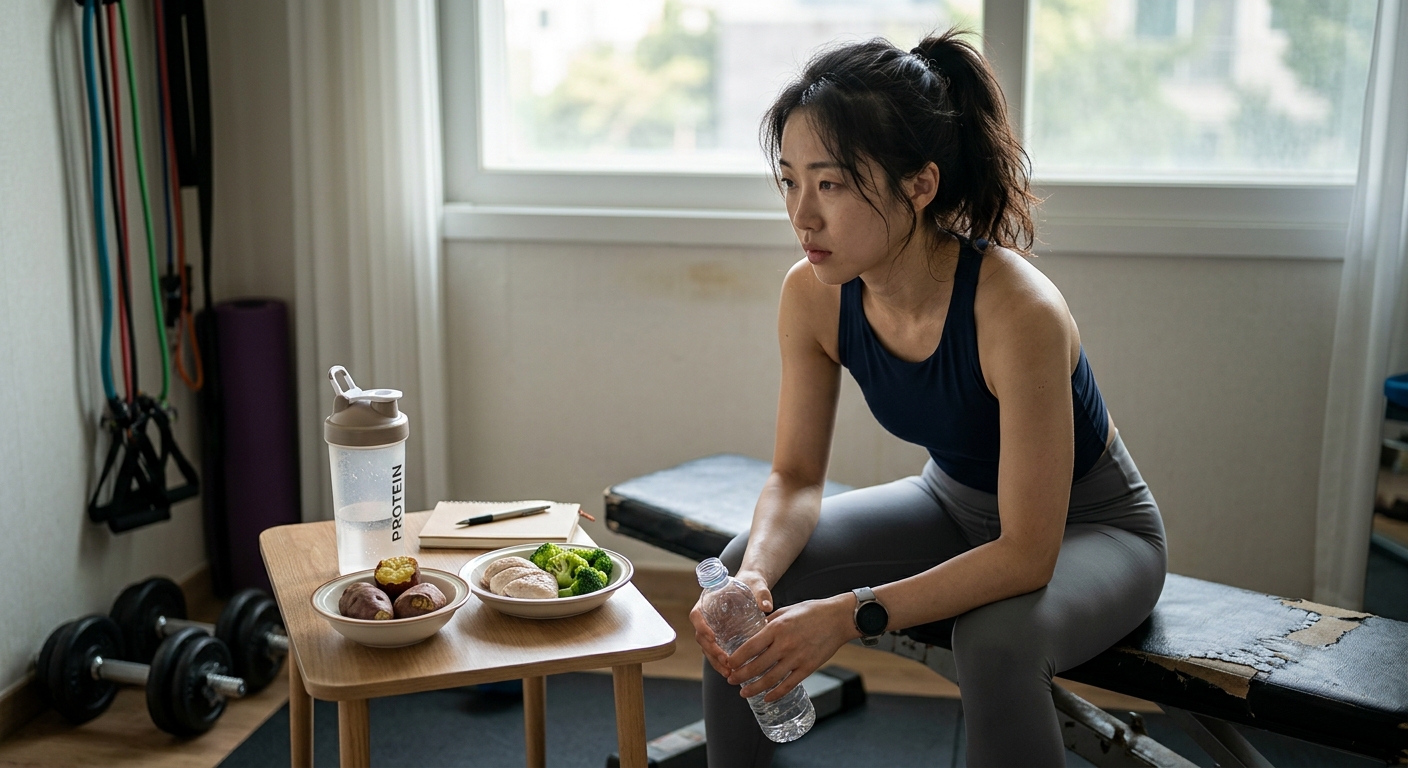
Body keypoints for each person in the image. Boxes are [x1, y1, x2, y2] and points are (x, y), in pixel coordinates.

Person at [690, 29, 1168, 768]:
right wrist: (755, 579)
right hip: (951, 505)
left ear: (920, 184)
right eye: (789, 180)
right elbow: (794, 478)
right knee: (742, 595)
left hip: (1092, 532)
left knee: (995, 640)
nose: (802, 215)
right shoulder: (814, 295)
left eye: (833, 183)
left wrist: (850, 616)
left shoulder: (1018, 311)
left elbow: (1025, 554)